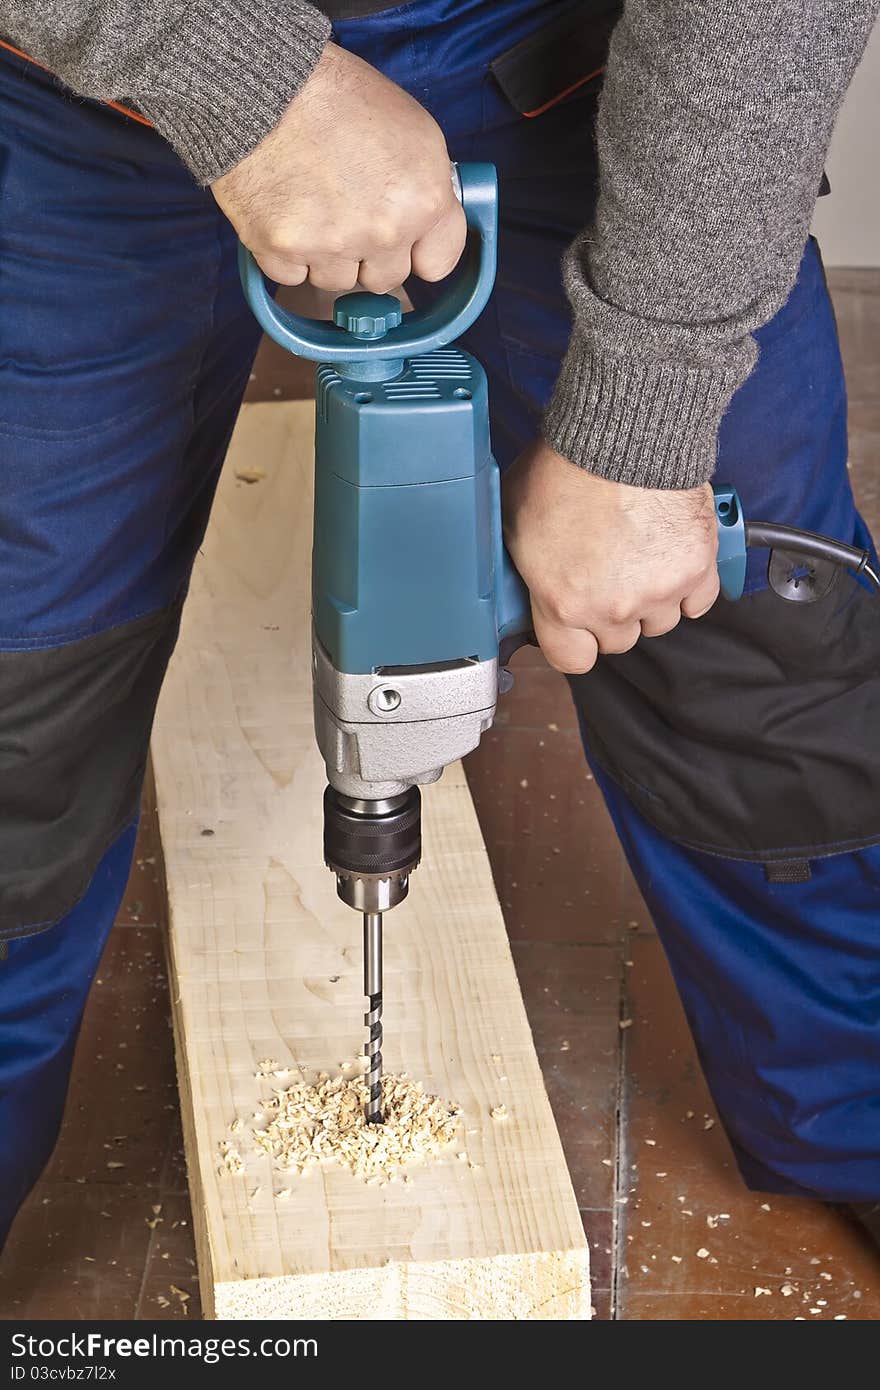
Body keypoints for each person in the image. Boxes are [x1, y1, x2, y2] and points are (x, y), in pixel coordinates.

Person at [0, 0, 878, 1253]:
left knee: (765, 659)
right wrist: (222, 64)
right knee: (16, 706)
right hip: (71, 74)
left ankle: (857, 1114)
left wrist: (647, 406)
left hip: (548, 64)